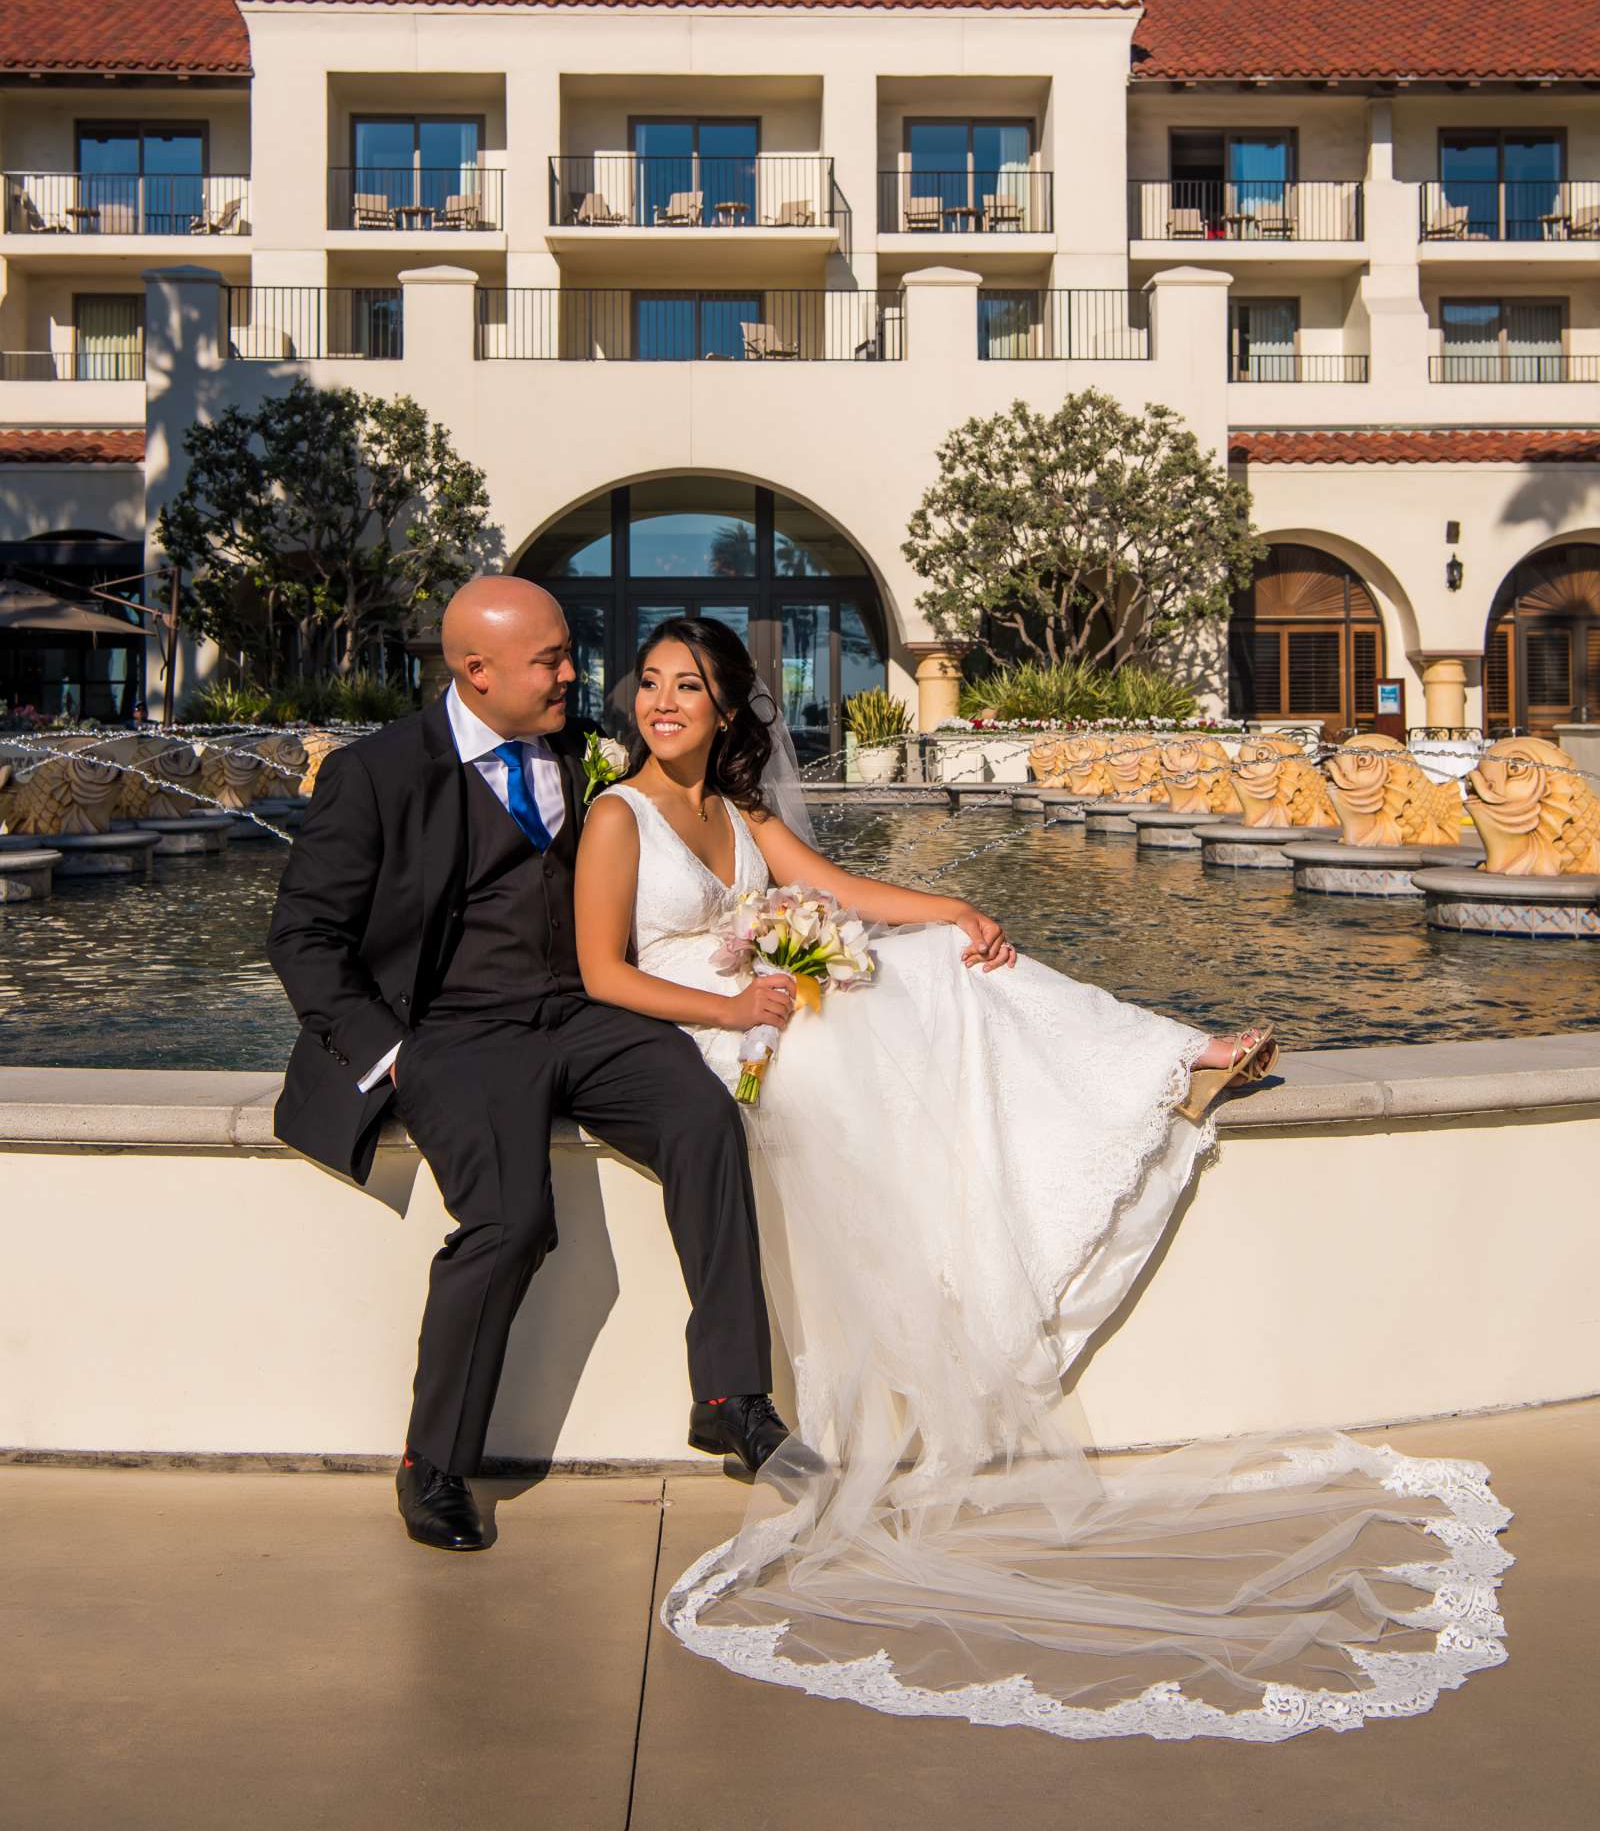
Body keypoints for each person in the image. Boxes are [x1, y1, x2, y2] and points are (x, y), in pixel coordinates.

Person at [574, 616, 1513, 1743]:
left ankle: (1168, 1060)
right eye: (650, 683)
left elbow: (835, 885)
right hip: (707, 1029)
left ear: (727, 710)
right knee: (876, 1031)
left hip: (774, 997)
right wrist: (734, 1001)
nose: (662, 701)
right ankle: (1149, 1082)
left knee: (940, 969)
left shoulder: (739, 813)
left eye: (690, 687)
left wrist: (956, 912)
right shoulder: (615, 817)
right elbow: (601, 972)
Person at [267, 576, 809, 1555]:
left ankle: (731, 1396)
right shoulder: (378, 773)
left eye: (569, 653)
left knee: (703, 1119)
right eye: (550, 662)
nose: (575, 675)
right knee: (512, 1220)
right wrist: (392, 1054)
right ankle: (432, 1462)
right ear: (476, 673)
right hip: (456, 1032)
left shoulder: (571, 748)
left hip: (582, 1011)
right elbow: (304, 937)